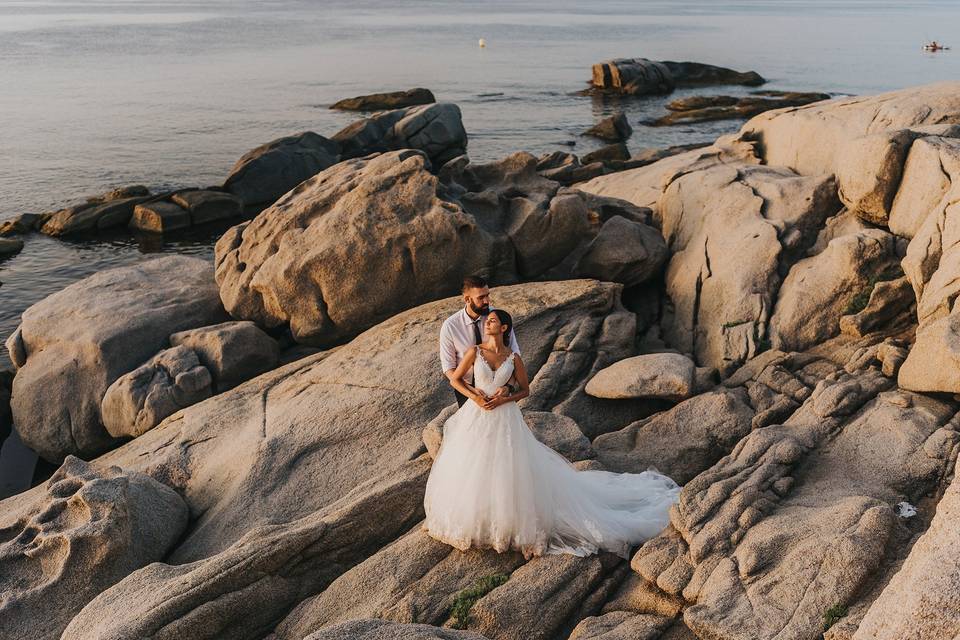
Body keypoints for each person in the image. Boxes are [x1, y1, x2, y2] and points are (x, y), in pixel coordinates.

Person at [424, 307, 681, 559]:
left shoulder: (513, 358)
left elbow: (525, 390)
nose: (487, 324)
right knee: (474, 465)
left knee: (508, 466)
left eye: (492, 321)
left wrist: (505, 397)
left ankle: (510, 524)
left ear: (503, 328)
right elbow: (456, 379)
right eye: (486, 321)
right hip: (477, 414)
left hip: (505, 416)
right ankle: (476, 519)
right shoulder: (474, 351)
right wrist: (476, 397)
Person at [439, 275, 520, 408]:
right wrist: (472, 393)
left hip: (499, 388)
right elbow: (448, 367)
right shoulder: (450, 326)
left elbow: (514, 354)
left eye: (487, 295)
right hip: (466, 389)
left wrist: (509, 387)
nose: (487, 301)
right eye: (481, 298)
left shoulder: (497, 317)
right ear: (467, 299)